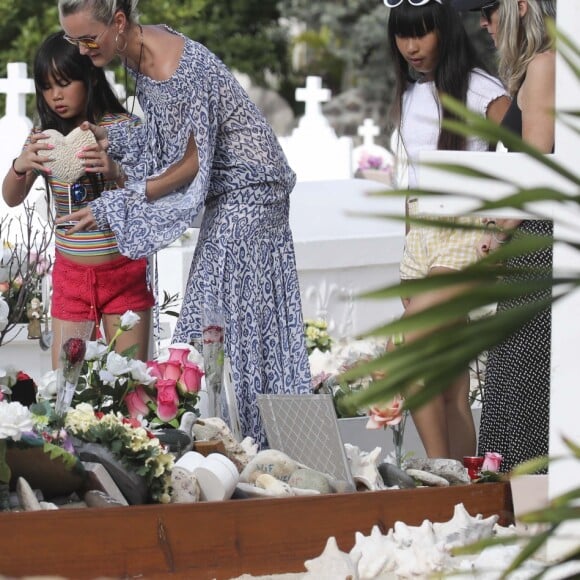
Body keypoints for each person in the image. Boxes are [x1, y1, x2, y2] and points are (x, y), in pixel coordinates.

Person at [56, 0, 312, 448]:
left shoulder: (177, 65)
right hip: (229, 195)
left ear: (118, 23)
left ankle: (260, 450)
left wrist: (126, 199)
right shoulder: (140, 60)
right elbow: (163, 142)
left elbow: (194, 160)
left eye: (87, 39)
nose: (81, 51)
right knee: (220, 325)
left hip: (254, 190)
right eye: (72, 40)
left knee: (219, 325)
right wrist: (107, 137)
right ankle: (241, 448)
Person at [384, 0, 511, 460]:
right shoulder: (413, 93)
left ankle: (439, 475)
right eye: (402, 35)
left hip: (462, 229)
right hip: (419, 234)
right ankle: (463, 484)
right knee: (448, 383)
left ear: (446, 31)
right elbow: (412, 176)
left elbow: (527, 149)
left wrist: (499, 222)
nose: (411, 47)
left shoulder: (480, 89)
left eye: (421, 33)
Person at [2, 31, 154, 369]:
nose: (55, 95)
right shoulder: (44, 138)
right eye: (47, 86)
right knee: (68, 389)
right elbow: (11, 198)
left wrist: (115, 171)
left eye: (65, 82)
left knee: (130, 387)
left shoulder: (122, 128)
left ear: (90, 77)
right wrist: (21, 166)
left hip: (124, 273)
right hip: (72, 277)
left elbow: (152, 195)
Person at [454, 0, 556, 472]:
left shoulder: (545, 64)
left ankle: (523, 501)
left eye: (488, 9)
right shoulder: (536, 67)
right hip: (528, 244)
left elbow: (534, 163)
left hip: (539, 246)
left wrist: (494, 234)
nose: (483, 22)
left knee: (525, 379)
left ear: (521, 5)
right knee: (512, 375)